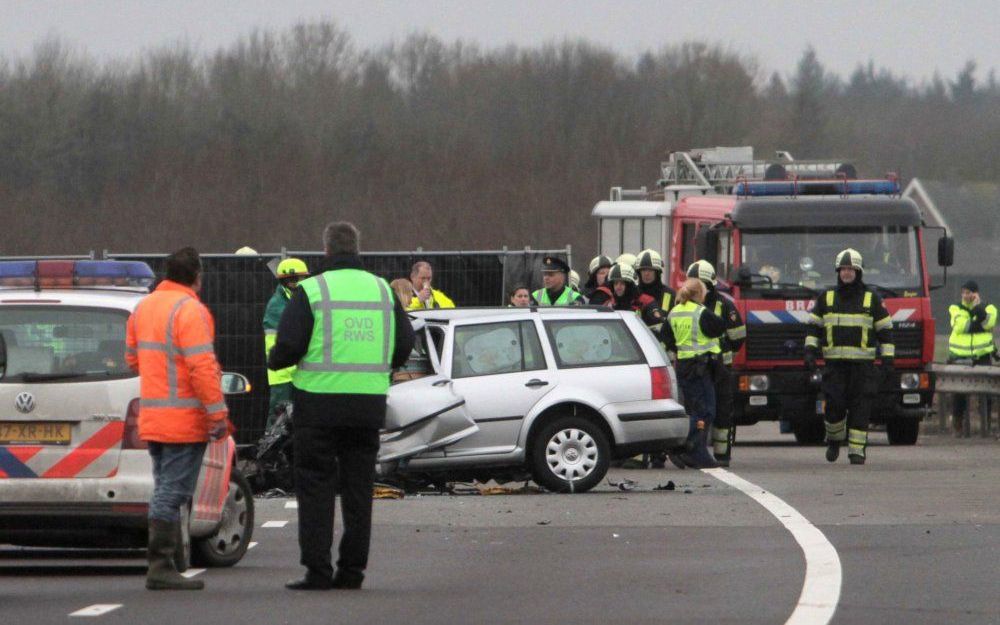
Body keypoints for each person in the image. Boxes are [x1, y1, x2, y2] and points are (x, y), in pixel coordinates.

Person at [269, 222, 415, 590]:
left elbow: (289, 344)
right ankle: (352, 571)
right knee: (358, 488)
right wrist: (384, 368)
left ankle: (317, 571)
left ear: (326, 252)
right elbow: (404, 342)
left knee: (315, 486)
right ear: (358, 249)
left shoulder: (312, 290)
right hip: (367, 405)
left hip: (317, 406)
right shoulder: (381, 289)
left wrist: (276, 360)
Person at [125, 247, 229, 591]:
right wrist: (217, 413)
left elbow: (132, 360)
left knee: (165, 487)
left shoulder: (143, 308)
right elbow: (202, 368)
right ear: (197, 276)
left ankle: (169, 562)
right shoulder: (190, 311)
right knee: (173, 491)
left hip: (153, 418)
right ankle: (161, 565)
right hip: (184, 421)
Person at [804, 249, 894, 465]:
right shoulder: (826, 298)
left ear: (858, 271)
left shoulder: (872, 300)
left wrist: (888, 361)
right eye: (843, 269)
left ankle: (857, 451)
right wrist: (809, 352)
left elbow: (886, 333)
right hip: (835, 367)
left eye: (851, 269)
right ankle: (834, 440)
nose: (846, 273)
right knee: (834, 407)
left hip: (863, 368)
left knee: (861, 407)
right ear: (838, 272)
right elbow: (813, 329)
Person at [660, 277, 727, 468]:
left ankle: (687, 449)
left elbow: (666, 338)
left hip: (684, 367)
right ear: (699, 294)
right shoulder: (701, 312)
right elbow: (720, 326)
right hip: (700, 368)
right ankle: (691, 450)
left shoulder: (674, 312)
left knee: (696, 411)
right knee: (705, 412)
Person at [687, 260, 746, 467]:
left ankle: (722, 454)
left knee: (722, 410)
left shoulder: (724, 305)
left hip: (720, 369)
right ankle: (696, 452)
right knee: (698, 411)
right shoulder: (684, 307)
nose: (699, 288)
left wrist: (723, 354)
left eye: (702, 284)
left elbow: (738, 337)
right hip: (695, 368)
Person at [263, 258, 309, 429]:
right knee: (279, 418)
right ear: (283, 281)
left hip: (298, 371)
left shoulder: (297, 299)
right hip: (283, 374)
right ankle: (270, 453)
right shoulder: (278, 305)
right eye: (291, 279)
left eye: (299, 278)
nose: (295, 283)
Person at [947, 280, 997, 435]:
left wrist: (976, 308)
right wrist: (978, 325)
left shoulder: (990, 308)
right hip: (960, 356)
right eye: (963, 292)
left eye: (969, 293)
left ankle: (986, 424)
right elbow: (959, 326)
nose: (965, 296)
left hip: (982, 356)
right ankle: (958, 424)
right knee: (959, 394)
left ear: (976, 293)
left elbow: (989, 322)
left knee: (986, 394)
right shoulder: (955, 308)